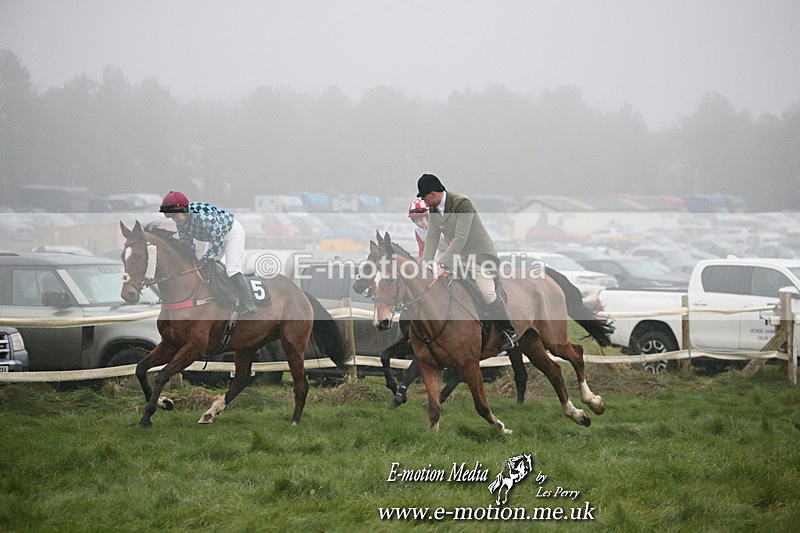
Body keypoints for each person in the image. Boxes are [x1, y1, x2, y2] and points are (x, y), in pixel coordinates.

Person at [416, 173, 518, 351]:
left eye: (424, 197)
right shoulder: (434, 209)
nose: (423, 202)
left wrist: (442, 264)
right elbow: (432, 236)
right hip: (459, 255)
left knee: (487, 293)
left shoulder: (462, 203)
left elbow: (460, 237)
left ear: (432, 194)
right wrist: (426, 262)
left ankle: (509, 332)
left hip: (479, 254)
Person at [158, 190, 257, 315]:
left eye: (175, 215)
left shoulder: (201, 214)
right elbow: (187, 244)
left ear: (183, 209)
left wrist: (207, 258)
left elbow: (217, 236)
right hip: (215, 237)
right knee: (204, 268)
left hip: (231, 233)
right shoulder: (181, 224)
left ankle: (249, 304)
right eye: (171, 217)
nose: (174, 219)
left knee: (232, 270)